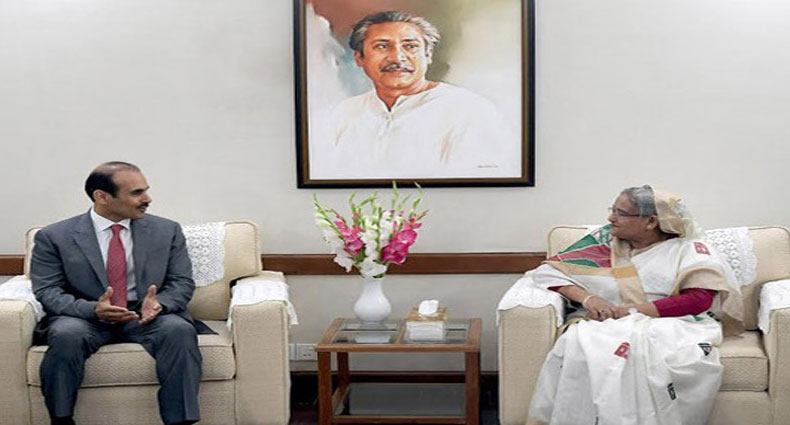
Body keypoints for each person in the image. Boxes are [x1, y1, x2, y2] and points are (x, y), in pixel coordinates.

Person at [527, 185, 743, 425]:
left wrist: (629, 312)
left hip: (673, 321)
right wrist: (590, 299)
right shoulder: (604, 241)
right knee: (581, 342)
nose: (611, 218)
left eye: (620, 213)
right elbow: (548, 272)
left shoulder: (690, 249)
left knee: (637, 350)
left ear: (650, 221)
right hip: (605, 320)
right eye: (612, 210)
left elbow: (698, 299)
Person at [30, 162, 201, 425]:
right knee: (66, 334)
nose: (147, 199)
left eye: (146, 190)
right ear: (102, 197)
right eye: (136, 193)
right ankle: (61, 420)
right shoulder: (54, 237)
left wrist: (160, 304)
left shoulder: (167, 231)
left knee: (178, 330)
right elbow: (47, 290)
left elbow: (182, 282)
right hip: (84, 317)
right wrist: (92, 309)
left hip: (145, 316)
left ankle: (181, 422)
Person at [314, 10, 520, 179]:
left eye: (410, 47)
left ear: (428, 55)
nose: (397, 57)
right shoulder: (342, 115)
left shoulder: (469, 111)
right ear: (359, 58)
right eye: (382, 46)